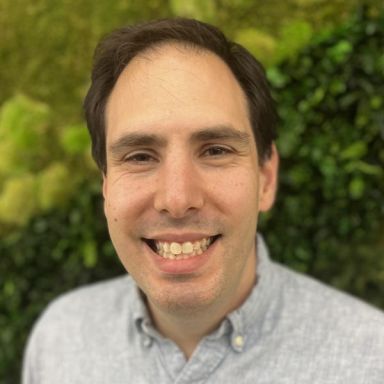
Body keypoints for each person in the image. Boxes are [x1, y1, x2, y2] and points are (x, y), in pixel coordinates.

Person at [22, 18, 384, 383]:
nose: (177, 200)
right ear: (106, 188)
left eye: (215, 150)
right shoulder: (58, 340)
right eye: (140, 157)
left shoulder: (370, 360)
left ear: (266, 179)